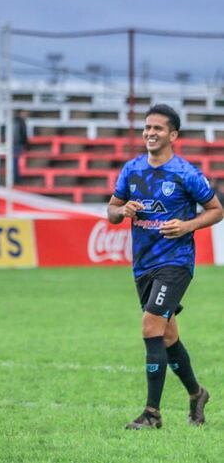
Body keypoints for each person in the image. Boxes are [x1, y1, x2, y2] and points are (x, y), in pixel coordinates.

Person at [107, 104, 223, 430]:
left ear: (173, 135)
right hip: (143, 266)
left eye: (158, 128)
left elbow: (216, 210)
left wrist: (187, 226)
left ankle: (151, 414)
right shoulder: (131, 170)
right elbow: (111, 210)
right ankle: (197, 393)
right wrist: (122, 210)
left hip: (176, 263)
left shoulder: (186, 173)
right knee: (167, 335)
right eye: (147, 127)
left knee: (149, 326)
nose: (150, 133)